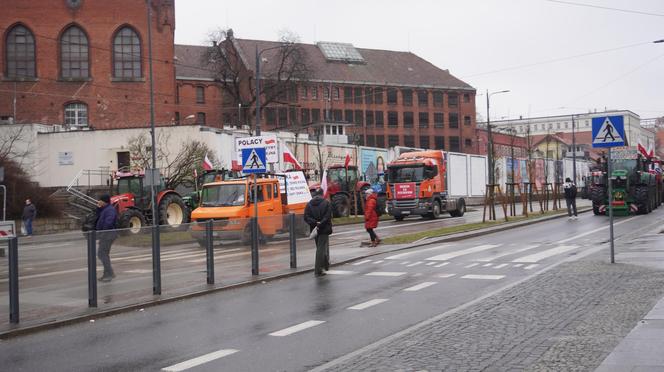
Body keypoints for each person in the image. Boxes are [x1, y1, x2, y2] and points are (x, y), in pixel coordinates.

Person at [304, 188, 332, 277]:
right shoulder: (326, 203)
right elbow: (328, 216)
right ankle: (318, 269)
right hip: (324, 228)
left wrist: (315, 223)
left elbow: (306, 217)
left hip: (315, 229)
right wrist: (321, 223)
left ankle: (325, 265)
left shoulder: (309, 204)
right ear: (322, 194)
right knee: (321, 249)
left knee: (320, 247)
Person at [96, 194, 118, 282]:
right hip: (106, 235)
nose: (98, 201)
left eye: (100, 200)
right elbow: (99, 217)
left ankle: (110, 273)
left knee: (102, 254)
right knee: (103, 254)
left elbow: (108, 223)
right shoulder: (105, 209)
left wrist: (103, 233)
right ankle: (107, 273)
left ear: (104, 201)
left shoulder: (110, 210)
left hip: (108, 235)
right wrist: (98, 208)